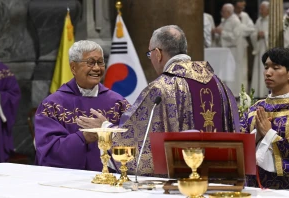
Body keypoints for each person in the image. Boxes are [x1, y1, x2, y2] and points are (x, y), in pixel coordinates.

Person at [78, 25, 240, 176]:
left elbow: (137, 141)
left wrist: (105, 128)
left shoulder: (162, 88)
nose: (151, 59)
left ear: (158, 53)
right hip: (221, 181)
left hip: (182, 185)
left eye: (150, 54)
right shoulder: (220, 86)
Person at [35, 40, 130, 170]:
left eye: (100, 62)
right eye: (90, 63)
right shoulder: (52, 105)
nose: (97, 68)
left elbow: (134, 143)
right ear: (73, 67)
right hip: (68, 182)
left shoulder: (118, 103)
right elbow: (48, 151)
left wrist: (107, 130)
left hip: (111, 180)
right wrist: (83, 137)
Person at [240, 47, 289, 189]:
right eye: (266, 67)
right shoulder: (254, 110)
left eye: (276, 68)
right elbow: (237, 146)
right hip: (254, 186)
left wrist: (270, 135)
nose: (268, 73)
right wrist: (257, 135)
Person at [213, 3, 242, 96]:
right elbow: (220, 36)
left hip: (232, 51)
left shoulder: (235, 21)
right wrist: (216, 32)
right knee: (225, 72)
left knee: (232, 72)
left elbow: (235, 38)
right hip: (224, 51)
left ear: (228, 12)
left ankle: (233, 93)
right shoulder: (225, 21)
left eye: (223, 11)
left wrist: (222, 32)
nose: (221, 13)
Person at [233, 0, 255, 93]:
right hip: (232, 47)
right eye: (241, 2)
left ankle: (242, 91)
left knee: (242, 68)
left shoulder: (245, 16)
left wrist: (241, 28)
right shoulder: (231, 15)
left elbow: (251, 29)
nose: (243, 5)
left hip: (242, 45)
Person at [250, 1, 269, 99]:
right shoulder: (259, 20)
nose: (260, 11)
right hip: (260, 48)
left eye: (262, 9)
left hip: (267, 49)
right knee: (259, 70)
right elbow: (253, 33)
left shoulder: (272, 20)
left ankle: (265, 92)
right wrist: (257, 35)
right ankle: (258, 93)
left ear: (268, 9)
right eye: (260, 9)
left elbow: (274, 34)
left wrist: (265, 34)